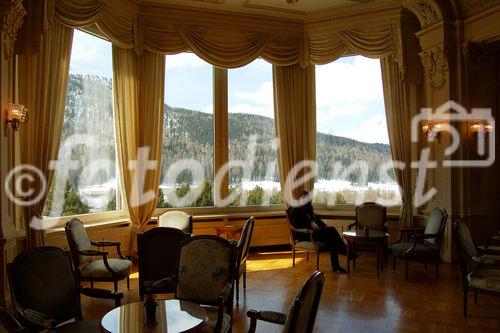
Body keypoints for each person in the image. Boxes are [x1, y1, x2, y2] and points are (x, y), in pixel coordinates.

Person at [288, 191, 351, 273]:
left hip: (314, 232)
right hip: (305, 234)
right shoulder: (295, 209)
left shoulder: (307, 209)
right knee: (331, 232)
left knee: (331, 235)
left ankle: (337, 264)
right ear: (299, 199)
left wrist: (324, 226)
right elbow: (296, 226)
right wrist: (310, 226)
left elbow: (317, 219)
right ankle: (346, 252)